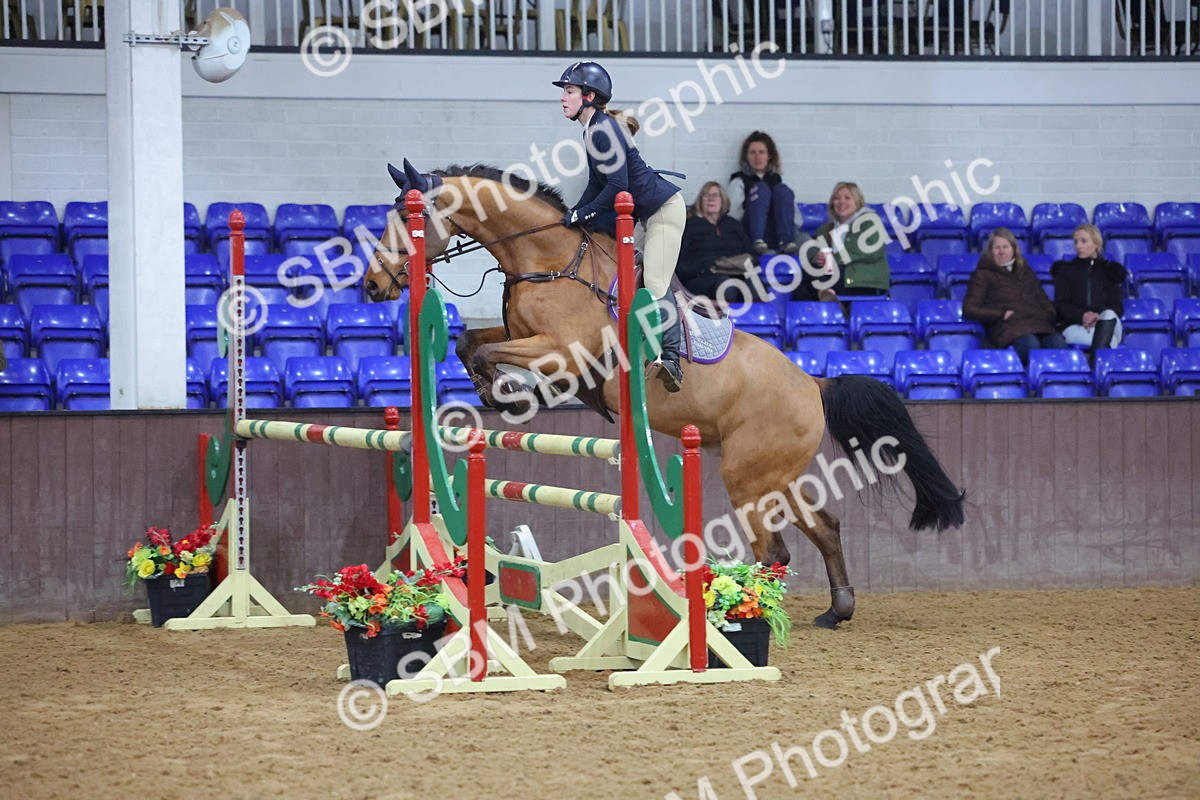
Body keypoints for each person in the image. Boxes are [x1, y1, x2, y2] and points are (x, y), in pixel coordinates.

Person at [554, 61, 686, 392]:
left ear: (589, 95)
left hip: (662, 212)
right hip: (639, 213)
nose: (563, 98)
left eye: (569, 91)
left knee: (655, 280)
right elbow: (597, 186)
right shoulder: (591, 129)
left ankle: (670, 358)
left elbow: (617, 187)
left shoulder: (603, 131)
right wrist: (573, 215)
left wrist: (582, 214)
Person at [962, 227, 1066, 365]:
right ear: (990, 251)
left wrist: (1048, 314)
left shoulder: (1025, 271)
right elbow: (969, 308)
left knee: (1059, 344)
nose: (1001, 251)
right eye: (996, 247)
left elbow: (1043, 299)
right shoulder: (982, 274)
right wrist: (1001, 314)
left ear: (1013, 249)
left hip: (1038, 323)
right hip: (1007, 326)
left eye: (1005, 246)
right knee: (1030, 345)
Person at [795, 181, 890, 304]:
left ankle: (827, 298)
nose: (841, 202)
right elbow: (815, 250)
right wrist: (817, 258)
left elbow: (871, 252)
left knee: (811, 281)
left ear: (857, 202)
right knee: (801, 286)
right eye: (836, 198)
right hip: (836, 278)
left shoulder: (870, 222)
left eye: (847, 198)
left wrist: (834, 259)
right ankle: (823, 307)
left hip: (862, 281)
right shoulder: (825, 229)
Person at [674, 182, 757, 307]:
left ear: (723, 200)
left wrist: (734, 263)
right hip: (703, 278)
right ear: (700, 201)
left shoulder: (733, 225)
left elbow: (752, 256)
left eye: (715, 195)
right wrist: (707, 264)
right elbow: (680, 267)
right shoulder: (690, 225)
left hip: (736, 274)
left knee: (755, 284)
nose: (711, 198)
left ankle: (756, 324)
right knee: (726, 285)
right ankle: (726, 323)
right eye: (706, 195)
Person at [1052, 223, 1125, 358]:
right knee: (1108, 341)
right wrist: (1082, 316)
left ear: (1096, 244)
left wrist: (1098, 316)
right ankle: (1098, 364)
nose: (1078, 246)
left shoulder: (1110, 270)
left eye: (1083, 241)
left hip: (1106, 323)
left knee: (1108, 315)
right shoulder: (1065, 270)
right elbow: (1061, 305)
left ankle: (1093, 361)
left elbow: (1117, 306)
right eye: (1076, 242)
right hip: (1076, 325)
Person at [726, 131, 800, 255]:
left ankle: (785, 241)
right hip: (749, 233)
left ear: (769, 155)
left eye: (761, 152)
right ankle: (758, 240)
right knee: (761, 189)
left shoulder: (777, 182)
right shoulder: (739, 180)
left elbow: (797, 220)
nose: (757, 157)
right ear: (746, 156)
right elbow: (732, 216)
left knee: (782, 190)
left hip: (775, 232)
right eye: (752, 153)